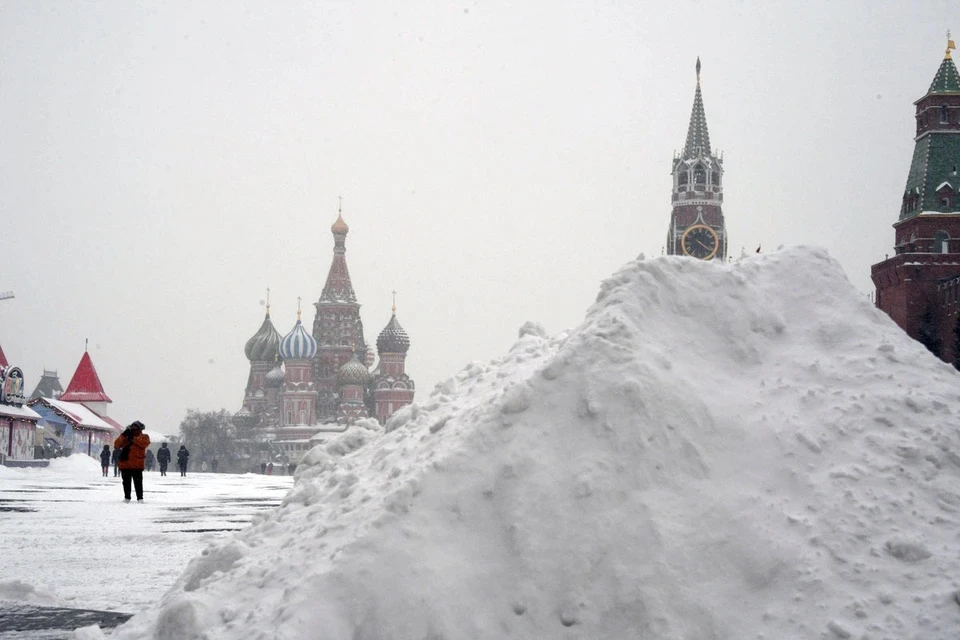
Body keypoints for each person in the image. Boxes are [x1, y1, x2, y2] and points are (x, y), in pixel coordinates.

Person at [114, 421, 150, 502]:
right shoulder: (126, 437)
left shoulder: (144, 436)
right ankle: (127, 497)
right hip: (125, 464)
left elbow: (144, 444)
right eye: (132, 429)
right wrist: (123, 435)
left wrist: (133, 439)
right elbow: (116, 444)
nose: (134, 430)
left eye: (136, 428)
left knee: (138, 483)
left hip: (137, 464)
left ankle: (140, 498)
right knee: (126, 483)